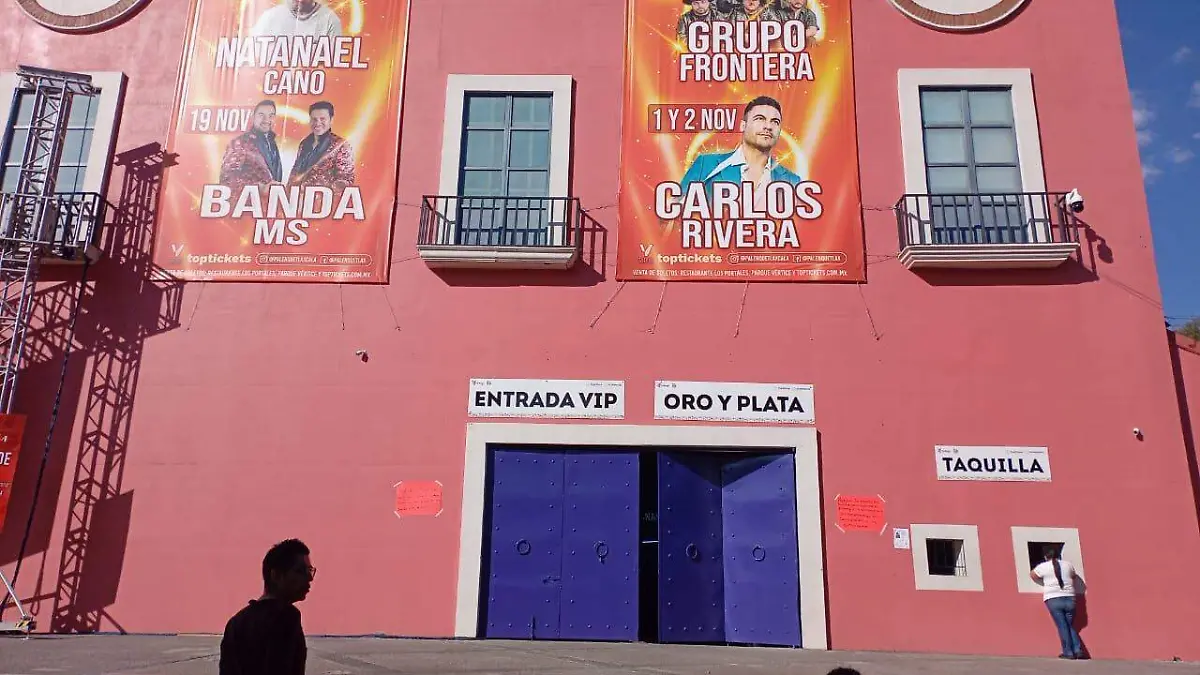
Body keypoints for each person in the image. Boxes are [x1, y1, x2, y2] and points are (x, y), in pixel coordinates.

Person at [678, 95, 803, 208]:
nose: (768, 126)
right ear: (743, 125)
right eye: (760, 119)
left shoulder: (792, 180)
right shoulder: (706, 165)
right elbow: (674, 213)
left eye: (775, 122)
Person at [219, 538, 316, 675]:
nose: (309, 578)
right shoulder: (287, 616)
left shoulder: (236, 623)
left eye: (310, 570)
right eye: (300, 571)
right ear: (276, 575)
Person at [287, 101, 357, 195]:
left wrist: (322, 193)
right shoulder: (304, 143)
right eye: (314, 119)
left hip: (323, 201)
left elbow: (346, 180)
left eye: (322, 119)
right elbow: (295, 172)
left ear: (331, 120)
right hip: (298, 199)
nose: (318, 123)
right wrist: (287, 193)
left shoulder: (340, 145)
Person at [1029, 545, 1084, 659]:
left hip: (1053, 598)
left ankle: (1068, 652)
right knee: (1069, 625)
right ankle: (1078, 650)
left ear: (1045, 556)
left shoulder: (1043, 566)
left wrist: (1044, 582)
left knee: (1062, 626)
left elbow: (1033, 575)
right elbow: (1073, 576)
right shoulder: (1068, 565)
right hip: (1070, 597)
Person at [218, 99, 283, 195]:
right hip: (246, 202)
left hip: (267, 203)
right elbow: (227, 179)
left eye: (271, 115)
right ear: (253, 117)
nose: (266, 120)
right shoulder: (241, 142)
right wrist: (260, 188)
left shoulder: (272, 143)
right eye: (261, 115)